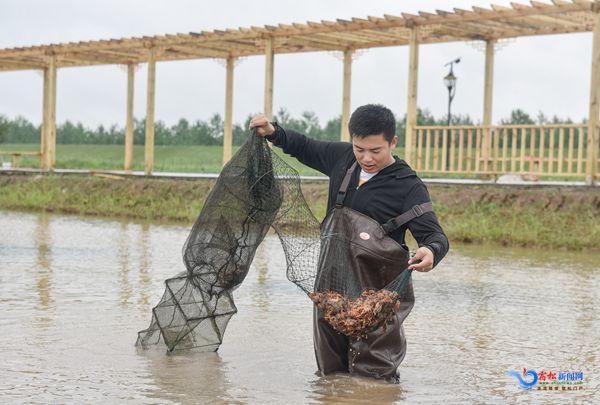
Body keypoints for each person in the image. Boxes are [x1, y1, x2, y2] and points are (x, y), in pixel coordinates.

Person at [249, 104, 449, 382]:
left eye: (376, 150)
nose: (366, 158)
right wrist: (273, 132)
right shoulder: (342, 159)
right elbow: (304, 146)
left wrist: (430, 251)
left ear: (393, 142)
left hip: (377, 297)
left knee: (375, 378)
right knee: (330, 375)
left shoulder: (408, 185)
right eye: (360, 149)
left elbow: (435, 237)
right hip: (331, 288)